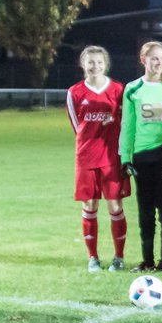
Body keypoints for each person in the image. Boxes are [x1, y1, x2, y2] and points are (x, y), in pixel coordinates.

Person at [119, 41, 162, 272]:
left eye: (161, 58)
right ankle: (147, 260)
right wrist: (124, 158)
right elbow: (127, 125)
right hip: (142, 156)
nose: (158, 62)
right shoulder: (132, 89)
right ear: (143, 59)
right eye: (153, 58)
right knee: (145, 209)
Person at [66, 46, 129, 272]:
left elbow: (124, 121)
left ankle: (118, 258)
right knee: (89, 205)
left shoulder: (118, 89)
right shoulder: (74, 92)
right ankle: (93, 257)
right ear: (83, 64)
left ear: (106, 64)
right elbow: (77, 126)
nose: (95, 66)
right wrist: (90, 140)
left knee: (115, 205)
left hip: (112, 156)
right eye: (91, 62)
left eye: (99, 62)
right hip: (86, 157)